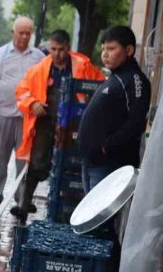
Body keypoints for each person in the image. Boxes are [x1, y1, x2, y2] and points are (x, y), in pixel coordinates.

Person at [10, 30, 104, 220]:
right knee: (37, 163)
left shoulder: (83, 66)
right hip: (45, 121)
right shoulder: (39, 70)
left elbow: (101, 86)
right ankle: (23, 204)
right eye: (53, 49)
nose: (57, 54)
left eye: (61, 49)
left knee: (72, 164)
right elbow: (22, 91)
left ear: (68, 48)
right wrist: (33, 104)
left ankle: (71, 210)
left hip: (74, 124)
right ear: (48, 48)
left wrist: (87, 103)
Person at [0, 17, 46, 209]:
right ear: (13, 32)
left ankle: (22, 198)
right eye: (21, 33)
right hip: (3, 114)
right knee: (0, 157)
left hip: (27, 118)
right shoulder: (0, 55)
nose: (25, 37)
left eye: (28, 33)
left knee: (24, 160)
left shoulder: (38, 57)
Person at [78, 25, 151, 192]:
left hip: (109, 164)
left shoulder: (135, 80)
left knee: (100, 217)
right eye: (103, 48)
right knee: (90, 217)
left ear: (129, 50)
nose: (105, 54)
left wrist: (108, 146)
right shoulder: (115, 77)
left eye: (111, 48)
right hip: (91, 161)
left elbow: (137, 122)